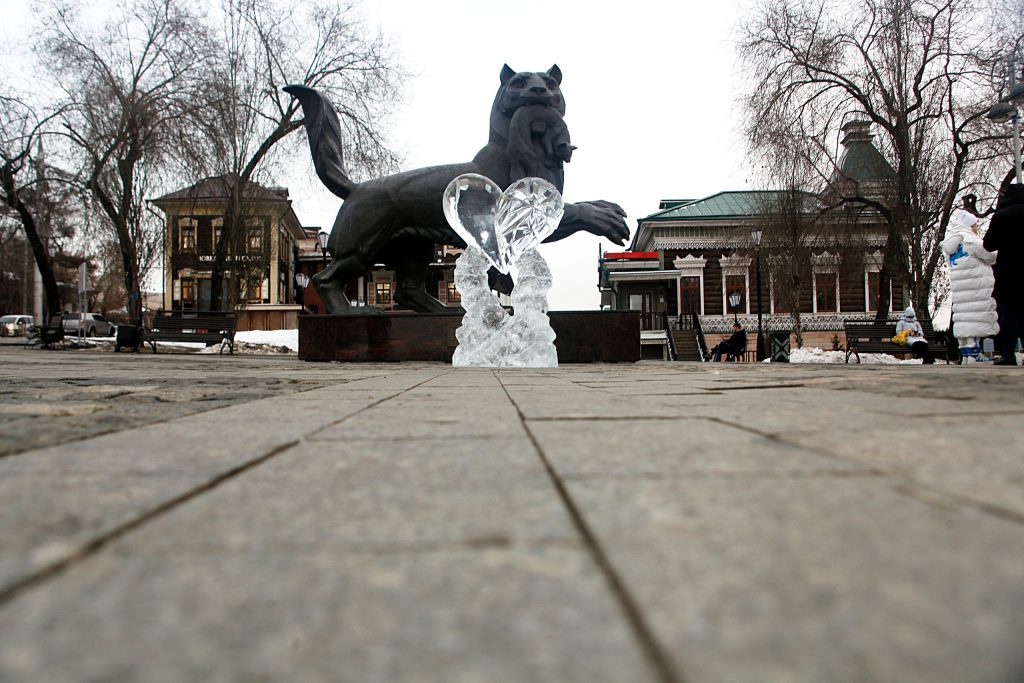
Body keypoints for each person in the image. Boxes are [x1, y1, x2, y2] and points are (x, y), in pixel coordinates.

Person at [940, 208, 999, 362]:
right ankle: (974, 353)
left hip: (960, 289)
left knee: (964, 319)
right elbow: (991, 256)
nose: (976, 228)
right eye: (974, 225)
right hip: (976, 286)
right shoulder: (971, 240)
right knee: (975, 318)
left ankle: (966, 353)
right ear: (968, 225)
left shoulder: (953, 244)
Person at [982, 183, 1024, 365]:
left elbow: (989, 244)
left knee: (1008, 314)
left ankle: (1009, 355)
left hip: (1009, 272)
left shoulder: (1001, 216)